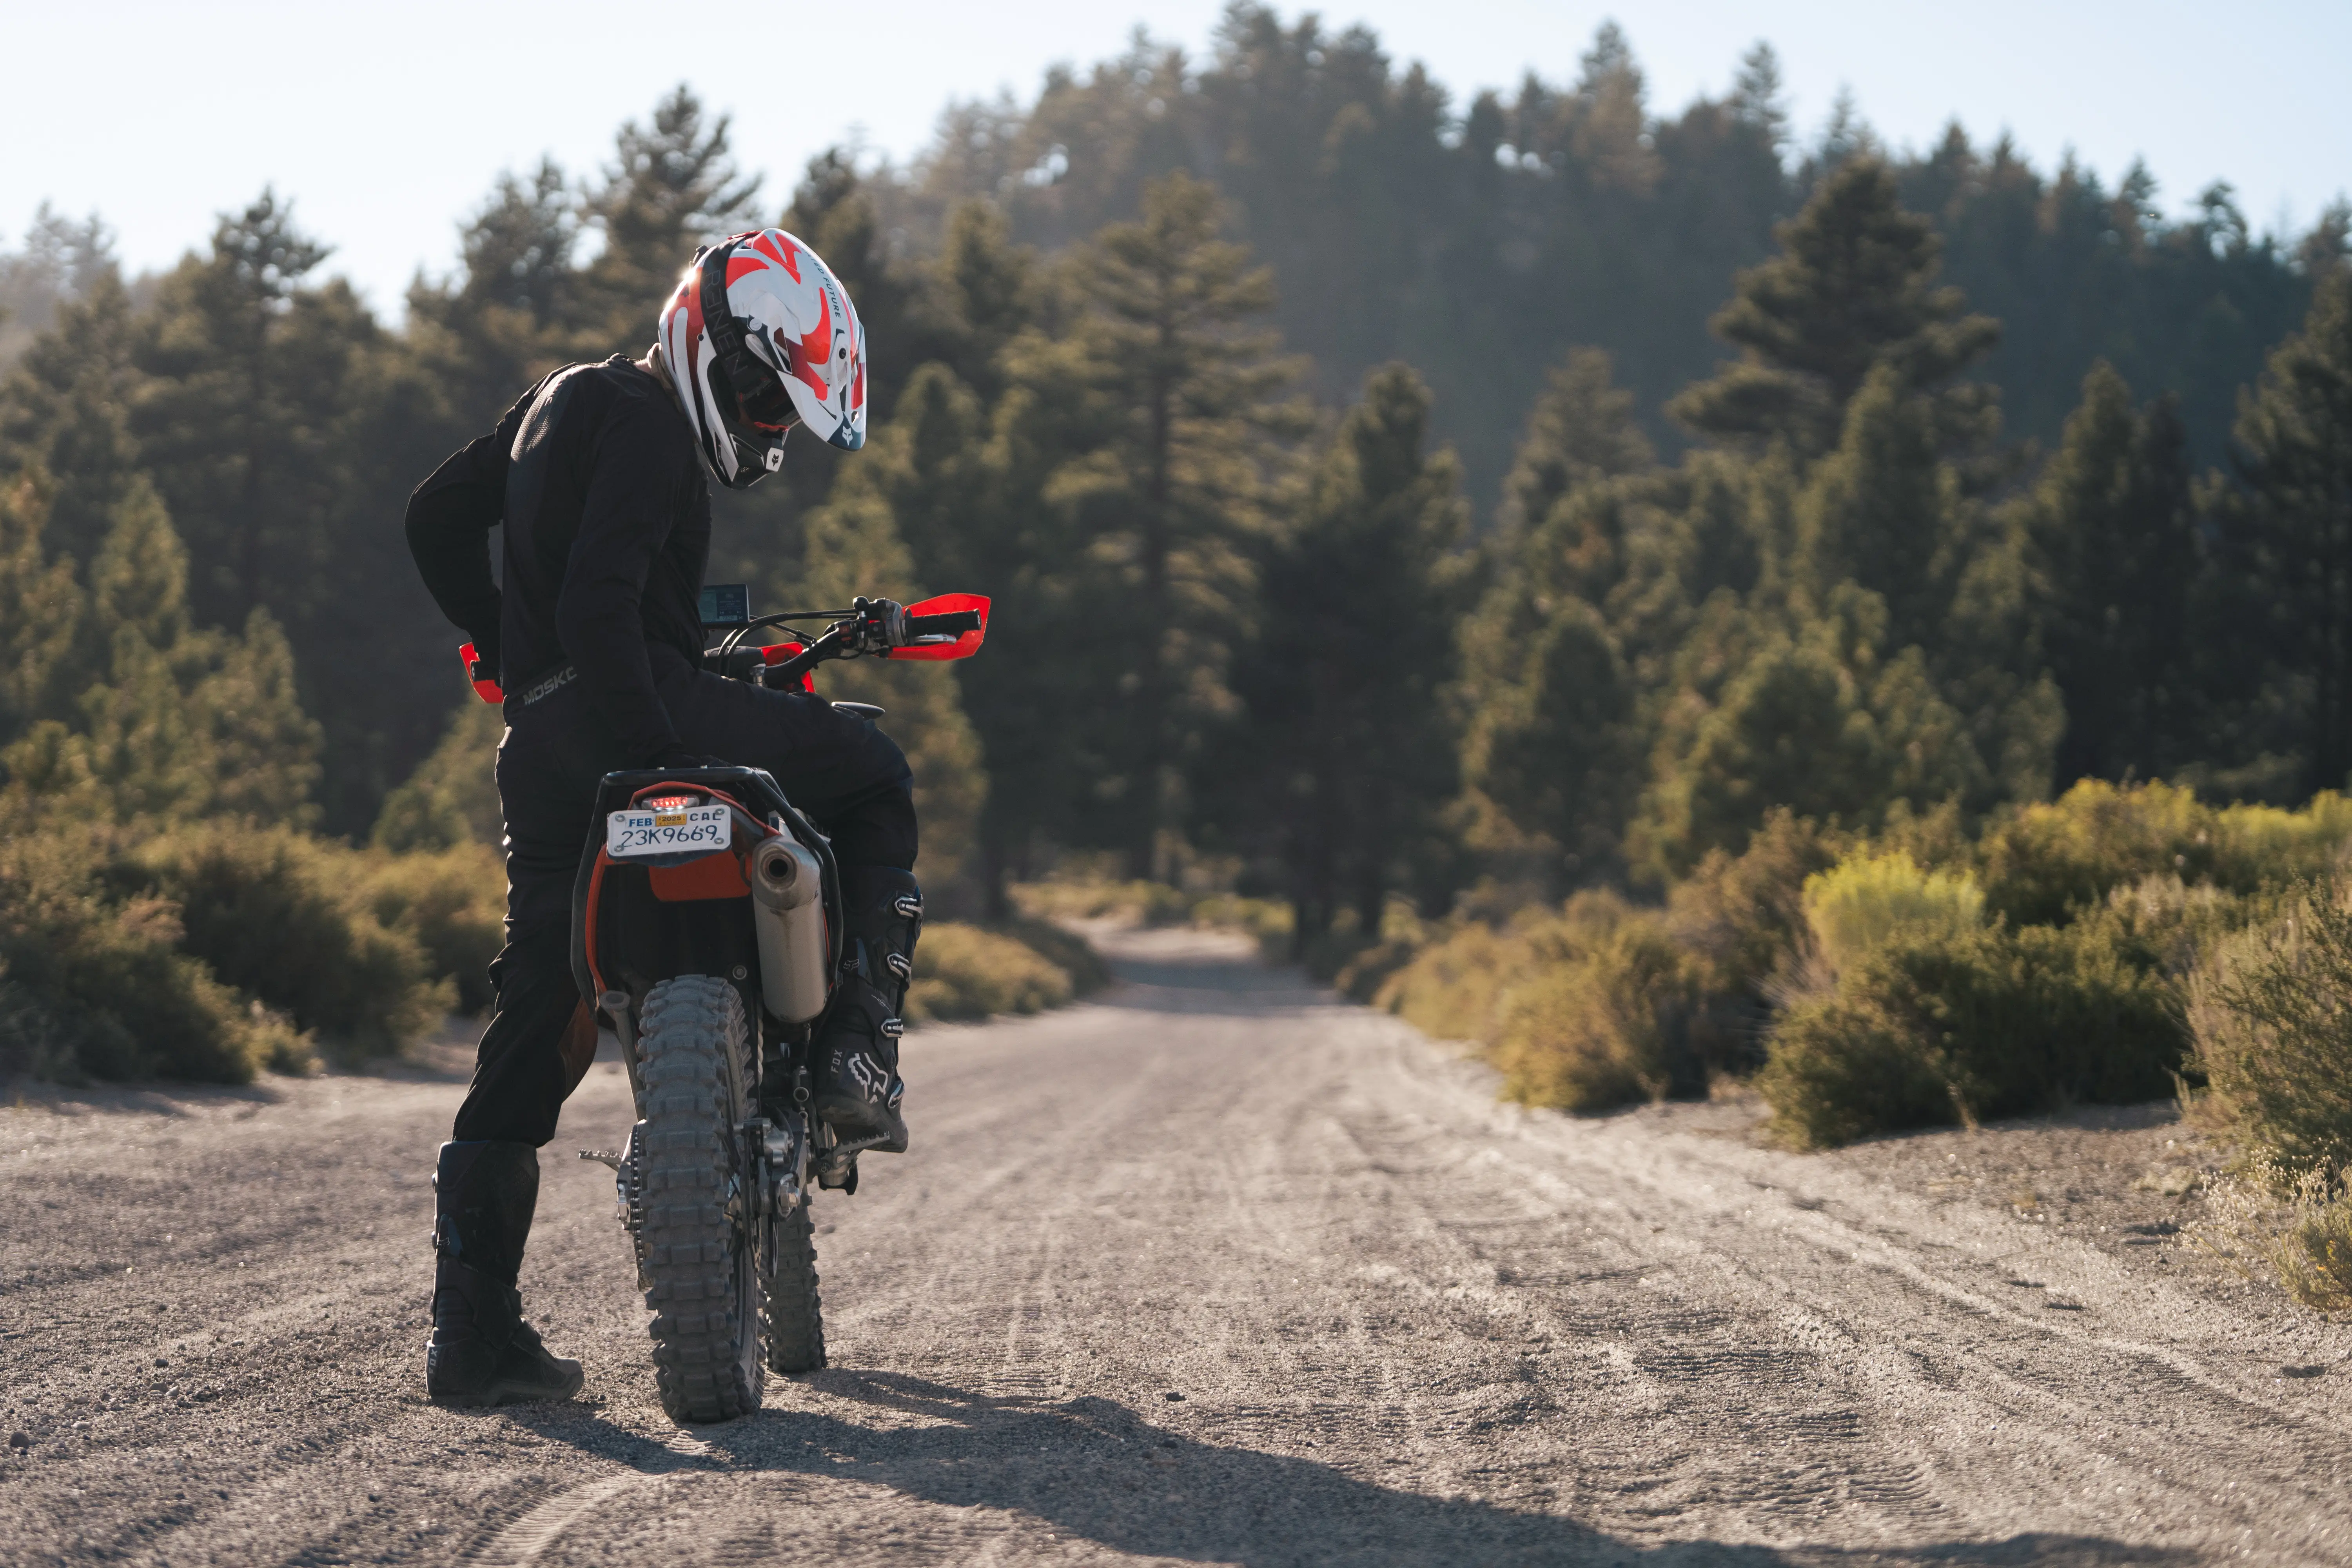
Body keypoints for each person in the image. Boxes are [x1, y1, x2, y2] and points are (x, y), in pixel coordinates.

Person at [403, 229, 921, 1406]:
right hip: (631, 706)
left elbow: (433, 518)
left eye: (781, 412)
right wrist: (660, 745)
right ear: (702, 332)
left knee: (540, 1002)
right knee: (872, 771)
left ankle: (470, 1335)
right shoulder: (647, 428)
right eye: (760, 396)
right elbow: (601, 606)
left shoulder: (555, 405)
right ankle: (852, 1050)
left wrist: (497, 649)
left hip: (538, 749)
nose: (765, 423)